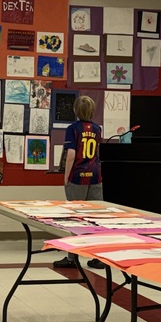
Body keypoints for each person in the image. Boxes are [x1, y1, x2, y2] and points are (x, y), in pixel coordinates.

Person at [53, 95, 106, 271]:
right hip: (96, 176)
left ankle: (72, 257)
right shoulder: (98, 129)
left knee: (75, 219)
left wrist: (65, 177)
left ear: (76, 110)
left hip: (78, 177)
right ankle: (97, 257)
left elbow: (71, 155)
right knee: (95, 219)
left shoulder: (73, 129)